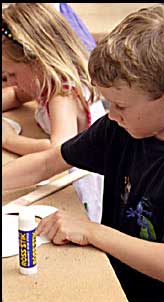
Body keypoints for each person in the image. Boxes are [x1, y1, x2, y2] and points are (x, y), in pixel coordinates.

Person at [3, 4, 164, 302]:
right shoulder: (123, 127)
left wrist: (91, 232)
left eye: (120, 105)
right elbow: (49, 161)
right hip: (121, 287)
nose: (111, 115)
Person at [2, 3, 105, 223]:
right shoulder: (43, 79)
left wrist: (9, 139)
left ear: (36, 60)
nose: (9, 82)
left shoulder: (62, 92)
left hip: (76, 186)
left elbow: (57, 149)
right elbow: (16, 95)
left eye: (11, 74)